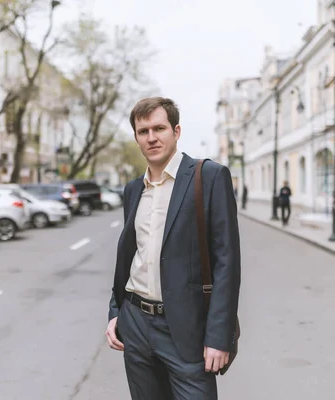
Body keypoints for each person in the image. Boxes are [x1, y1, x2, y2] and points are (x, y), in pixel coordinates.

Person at [105, 97, 241, 400]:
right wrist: (116, 312)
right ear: (137, 138)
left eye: (159, 128)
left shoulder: (208, 177)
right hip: (136, 324)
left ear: (176, 131)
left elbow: (226, 262)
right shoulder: (133, 190)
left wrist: (219, 336)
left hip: (186, 328)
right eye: (143, 132)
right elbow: (131, 258)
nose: (151, 137)